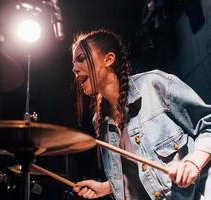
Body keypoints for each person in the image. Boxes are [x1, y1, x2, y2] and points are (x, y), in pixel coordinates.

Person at [71, 29, 211, 200]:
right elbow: (137, 172)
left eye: (81, 59)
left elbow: (208, 126)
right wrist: (106, 187)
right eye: (73, 63)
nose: (74, 69)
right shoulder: (99, 121)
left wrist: (193, 164)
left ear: (109, 59)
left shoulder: (154, 85)